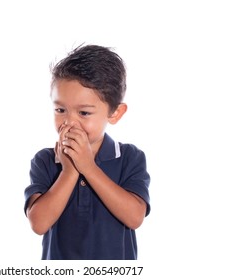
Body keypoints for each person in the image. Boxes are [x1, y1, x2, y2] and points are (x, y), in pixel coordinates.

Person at [24, 44, 150, 260]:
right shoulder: (45, 160)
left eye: (84, 112)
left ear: (115, 113)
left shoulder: (130, 157)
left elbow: (134, 217)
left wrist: (88, 167)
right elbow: (39, 223)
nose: (69, 122)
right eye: (60, 110)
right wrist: (69, 171)